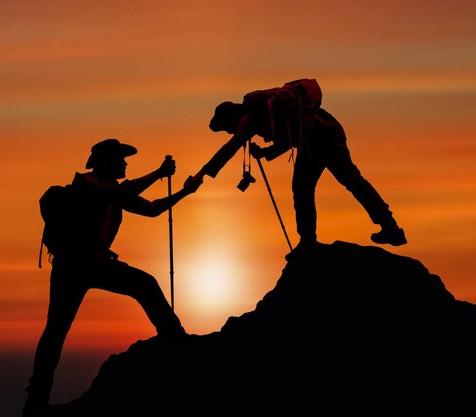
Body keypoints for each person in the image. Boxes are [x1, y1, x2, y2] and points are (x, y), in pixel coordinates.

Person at [23, 138, 202, 416]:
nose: (125, 163)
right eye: (121, 158)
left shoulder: (110, 190)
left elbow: (151, 209)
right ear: (105, 161)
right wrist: (158, 173)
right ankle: (36, 398)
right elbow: (122, 195)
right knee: (57, 329)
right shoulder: (87, 185)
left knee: (143, 285)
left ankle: (174, 337)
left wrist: (184, 192)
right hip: (73, 267)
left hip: (89, 264)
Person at [193, 80, 406, 258]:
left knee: (331, 183)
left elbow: (230, 148)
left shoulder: (250, 118)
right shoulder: (263, 112)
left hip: (320, 136)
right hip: (323, 132)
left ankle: (309, 242)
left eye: (226, 127)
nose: (230, 131)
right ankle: (388, 228)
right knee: (335, 183)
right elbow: (289, 136)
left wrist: (203, 173)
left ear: (231, 115)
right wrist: (268, 153)